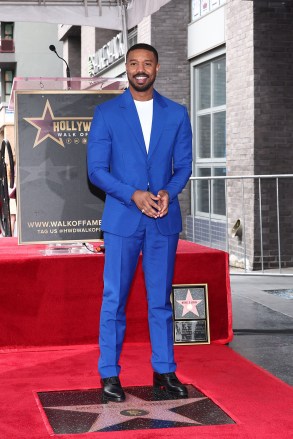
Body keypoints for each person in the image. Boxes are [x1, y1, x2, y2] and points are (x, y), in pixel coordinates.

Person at [87, 43, 192, 402]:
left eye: (147, 63)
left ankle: (164, 370)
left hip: (163, 220)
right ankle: (109, 374)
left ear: (157, 68)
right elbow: (96, 170)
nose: (140, 69)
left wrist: (167, 192)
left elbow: (184, 166)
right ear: (127, 69)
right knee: (114, 299)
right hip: (122, 219)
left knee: (160, 301)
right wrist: (132, 194)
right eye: (134, 63)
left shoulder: (176, 114)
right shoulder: (106, 113)